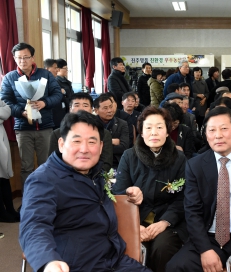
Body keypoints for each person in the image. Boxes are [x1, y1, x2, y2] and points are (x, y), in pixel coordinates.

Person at [19, 110, 150, 272]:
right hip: (76, 266)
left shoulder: (95, 173)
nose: (84, 149)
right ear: (61, 144)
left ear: (101, 147)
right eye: (76, 141)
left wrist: (130, 193)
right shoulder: (43, 180)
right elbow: (34, 226)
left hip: (115, 260)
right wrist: (49, 262)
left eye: (92, 142)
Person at [166, 107, 231, 272]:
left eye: (224, 129)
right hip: (210, 236)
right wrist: (205, 250)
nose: (218, 135)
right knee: (176, 267)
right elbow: (192, 211)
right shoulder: (195, 165)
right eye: (212, 130)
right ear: (206, 135)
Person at [113, 106, 187, 272]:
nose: (154, 133)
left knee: (162, 248)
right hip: (136, 219)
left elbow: (182, 198)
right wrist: (135, 224)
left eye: (159, 127)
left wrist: (164, 223)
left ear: (168, 131)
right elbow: (118, 193)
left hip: (167, 221)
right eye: (148, 128)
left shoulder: (179, 158)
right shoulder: (129, 156)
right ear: (141, 131)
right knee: (131, 247)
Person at [0, 42, 63, 191]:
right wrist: (21, 111)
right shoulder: (9, 78)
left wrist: (44, 103)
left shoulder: (45, 74)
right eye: (19, 58)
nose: (22, 61)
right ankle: (29, 199)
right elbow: (6, 101)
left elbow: (57, 94)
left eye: (26, 57)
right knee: (26, 167)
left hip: (45, 127)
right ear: (14, 59)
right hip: (23, 128)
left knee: (46, 164)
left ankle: (48, 197)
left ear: (33, 58)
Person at [49, 92, 113, 172]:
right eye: (76, 105)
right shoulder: (57, 134)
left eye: (85, 105)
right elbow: (53, 162)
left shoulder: (104, 133)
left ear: (91, 109)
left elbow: (106, 162)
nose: (81, 108)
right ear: (70, 108)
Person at [94, 94, 129, 168]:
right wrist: (111, 141)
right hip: (96, 162)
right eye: (105, 108)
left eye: (110, 106)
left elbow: (124, 147)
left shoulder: (122, 124)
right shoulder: (91, 124)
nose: (110, 110)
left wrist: (101, 145)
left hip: (117, 162)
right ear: (96, 111)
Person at [0, 99, 19, 222]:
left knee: (4, 177)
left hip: (1, 138)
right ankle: (2, 213)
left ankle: (10, 209)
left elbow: (7, 111)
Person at [54, 58, 74, 129]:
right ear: (58, 69)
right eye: (65, 68)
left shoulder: (66, 81)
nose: (67, 70)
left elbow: (72, 95)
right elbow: (61, 97)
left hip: (69, 108)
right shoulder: (56, 82)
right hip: (61, 111)